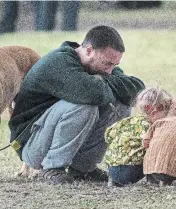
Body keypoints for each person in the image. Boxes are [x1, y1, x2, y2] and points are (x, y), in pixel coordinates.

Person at [8, 25, 145, 185]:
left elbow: (136, 90)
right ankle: (52, 167)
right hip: (31, 144)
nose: (109, 71)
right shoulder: (58, 62)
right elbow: (96, 94)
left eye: (114, 65)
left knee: (121, 104)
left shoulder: (100, 67)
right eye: (107, 63)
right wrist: (104, 85)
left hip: (47, 132)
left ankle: (82, 169)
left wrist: (102, 82)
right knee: (85, 106)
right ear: (88, 50)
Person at [104, 87, 173, 186]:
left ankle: (114, 180)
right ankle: (153, 178)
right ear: (154, 113)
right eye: (166, 113)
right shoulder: (150, 127)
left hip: (112, 168)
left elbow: (109, 134)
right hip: (130, 172)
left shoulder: (129, 121)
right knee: (155, 147)